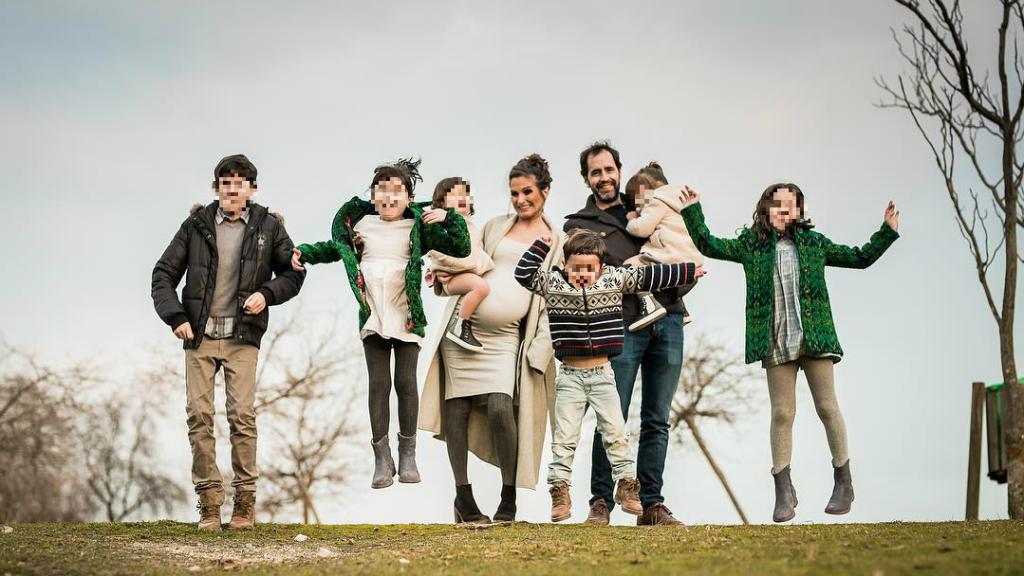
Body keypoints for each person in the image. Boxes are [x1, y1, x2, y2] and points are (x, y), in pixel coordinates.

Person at [679, 182, 900, 522]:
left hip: (815, 338)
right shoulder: (750, 246)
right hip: (776, 341)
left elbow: (860, 257)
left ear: (799, 211)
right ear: (765, 209)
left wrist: (885, 232)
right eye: (777, 205)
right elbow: (708, 244)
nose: (784, 212)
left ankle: (844, 482)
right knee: (782, 414)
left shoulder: (814, 243)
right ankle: (783, 490)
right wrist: (693, 210)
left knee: (827, 406)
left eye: (791, 206)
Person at [291, 158, 470, 490]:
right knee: (378, 384)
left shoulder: (419, 226)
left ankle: (407, 453)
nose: (389, 197)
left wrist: (450, 217)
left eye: (397, 192)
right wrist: (303, 251)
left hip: (406, 315)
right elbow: (335, 249)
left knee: (405, 383)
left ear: (408, 197)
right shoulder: (363, 226)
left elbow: (460, 247)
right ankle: (381, 457)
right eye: (382, 191)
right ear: (373, 197)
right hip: (373, 313)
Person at [151, 153, 305, 530]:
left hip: (242, 337)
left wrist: (267, 294)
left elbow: (294, 272)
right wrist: (176, 317)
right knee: (199, 417)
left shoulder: (269, 227)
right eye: (225, 184)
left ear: (251, 189)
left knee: (242, 416)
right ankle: (208, 503)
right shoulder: (196, 225)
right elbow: (163, 274)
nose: (232, 190)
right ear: (216, 188)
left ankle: (244, 504)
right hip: (200, 337)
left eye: (239, 184)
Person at [515, 229, 702, 522]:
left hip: (603, 374)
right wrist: (541, 245)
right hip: (570, 377)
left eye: (590, 268)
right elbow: (523, 274)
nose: (583, 274)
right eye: (576, 267)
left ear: (600, 267)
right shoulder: (552, 283)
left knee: (616, 433)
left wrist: (688, 270)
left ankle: (627, 486)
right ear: (565, 265)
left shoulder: (614, 279)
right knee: (565, 437)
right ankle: (559, 489)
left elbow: (650, 277)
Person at [419, 154, 560, 524]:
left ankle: (508, 496)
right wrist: (439, 279)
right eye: (514, 193)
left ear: (545, 191)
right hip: (463, 332)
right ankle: (463, 498)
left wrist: (542, 350)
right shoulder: (495, 226)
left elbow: (551, 300)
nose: (520, 199)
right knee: (458, 408)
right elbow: (462, 255)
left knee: (501, 407)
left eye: (527, 191)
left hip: (507, 338)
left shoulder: (556, 239)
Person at [564, 141, 689, 526]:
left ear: (619, 171)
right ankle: (601, 501)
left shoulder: (647, 206)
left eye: (609, 170)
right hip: (618, 327)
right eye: (595, 172)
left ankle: (652, 504)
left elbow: (684, 252)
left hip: (667, 319)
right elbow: (588, 276)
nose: (604, 177)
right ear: (586, 178)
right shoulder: (579, 225)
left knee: (657, 418)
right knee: (609, 414)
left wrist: (680, 276)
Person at [622, 162, 703, 329]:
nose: (637, 206)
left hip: (670, 259)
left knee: (630, 266)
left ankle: (649, 304)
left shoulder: (657, 200)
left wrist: (631, 220)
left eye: (638, 200)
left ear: (649, 191)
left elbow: (643, 228)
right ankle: (682, 308)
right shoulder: (684, 201)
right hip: (692, 260)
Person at [424, 177, 495, 352]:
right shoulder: (439, 226)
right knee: (481, 287)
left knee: (480, 285)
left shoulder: (469, 225)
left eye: (466, 196)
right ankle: (459, 325)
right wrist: (446, 269)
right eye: (455, 197)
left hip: (460, 273)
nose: (463, 200)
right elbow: (441, 253)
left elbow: (474, 252)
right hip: (451, 278)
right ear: (442, 203)